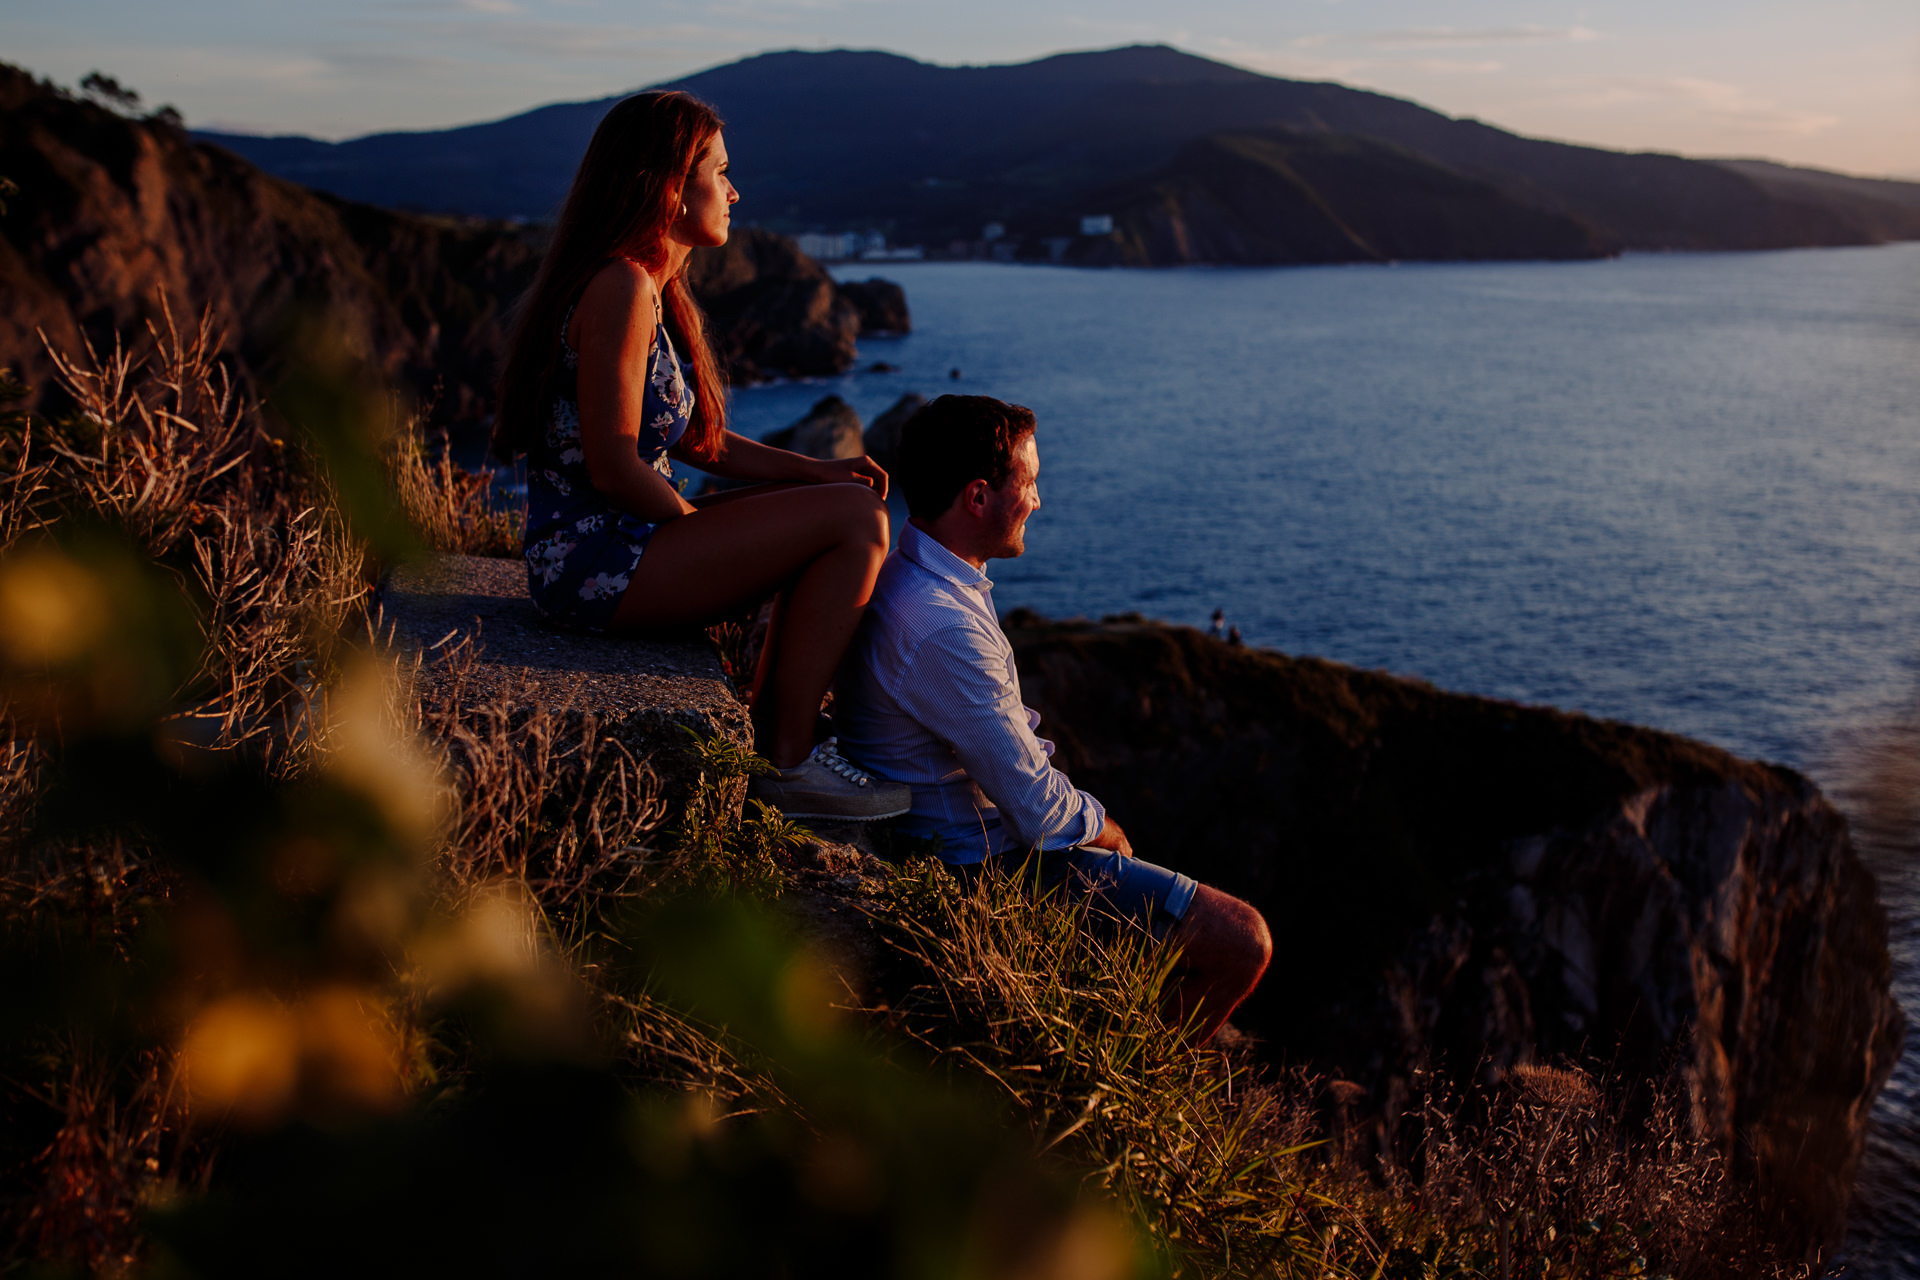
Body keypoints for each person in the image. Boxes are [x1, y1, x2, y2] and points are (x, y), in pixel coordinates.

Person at [491, 90, 907, 822]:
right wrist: (692, 527)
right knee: (859, 525)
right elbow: (617, 464)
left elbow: (692, 440)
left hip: (613, 549)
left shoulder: (643, 285)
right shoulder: (619, 286)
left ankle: (786, 736)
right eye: (721, 171)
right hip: (597, 565)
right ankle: (789, 761)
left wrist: (813, 472)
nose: (734, 190)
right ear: (671, 187)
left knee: (847, 507)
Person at [834, 395, 1271, 1042]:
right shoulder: (944, 627)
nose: (1038, 500)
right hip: (983, 868)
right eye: (1029, 483)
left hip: (956, 835)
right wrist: (1105, 827)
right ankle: (1139, 1075)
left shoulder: (915, 577)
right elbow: (1037, 815)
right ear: (978, 497)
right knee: (1244, 940)